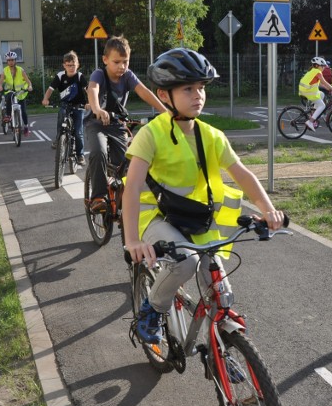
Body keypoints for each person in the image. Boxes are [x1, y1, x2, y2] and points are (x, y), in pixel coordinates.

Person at [122, 48, 285, 344]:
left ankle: (223, 350)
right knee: (184, 263)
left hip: (195, 219)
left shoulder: (211, 135)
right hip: (155, 215)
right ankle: (152, 309)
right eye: (188, 88)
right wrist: (132, 239)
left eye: (201, 88)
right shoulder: (151, 134)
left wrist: (269, 210)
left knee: (218, 286)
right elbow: (132, 187)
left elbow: (243, 174)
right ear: (164, 94)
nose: (198, 95)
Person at [86, 36, 166, 211]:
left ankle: (122, 197)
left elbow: (144, 92)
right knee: (98, 152)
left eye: (125, 62)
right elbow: (93, 89)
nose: (121, 66)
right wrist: (98, 109)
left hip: (117, 124)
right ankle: (98, 197)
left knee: (127, 162)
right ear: (105, 60)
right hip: (96, 123)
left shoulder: (128, 76)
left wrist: (164, 111)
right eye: (116, 62)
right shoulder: (99, 74)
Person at [41, 51, 89, 164]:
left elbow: (88, 90)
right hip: (65, 104)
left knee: (78, 132)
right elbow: (50, 89)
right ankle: (59, 139)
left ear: (78, 65)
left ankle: (80, 155)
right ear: (64, 65)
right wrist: (45, 99)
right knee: (61, 114)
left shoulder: (80, 76)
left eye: (73, 65)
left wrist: (90, 102)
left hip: (79, 106)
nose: (71, 67)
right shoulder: (60, 76)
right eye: (69, 65)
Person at [0, 51, 33, 136]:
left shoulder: (21, 70)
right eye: (9, 60)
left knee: (23, 111)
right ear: (7, 61)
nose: (10, 62)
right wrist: (0, 86)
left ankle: (26, 127)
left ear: (15, 61)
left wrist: (30, 86)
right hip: (11, 92)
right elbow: (1, 81)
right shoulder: (5, 71)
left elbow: (28, 81)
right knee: (9, 96)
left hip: (21, 93)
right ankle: (9, 116)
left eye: (12, 60)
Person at [298, 56, 332, 131]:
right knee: (322, 106)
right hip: (308, 92)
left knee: (322, 94)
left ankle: (313, 113)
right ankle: (310, 122)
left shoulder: (312, 71)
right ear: (318, 66)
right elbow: (324, 82)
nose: (324, 68)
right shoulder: (317, 72)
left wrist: (328, 89)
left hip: (304, 91)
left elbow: (320, 84)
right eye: (323, 66)